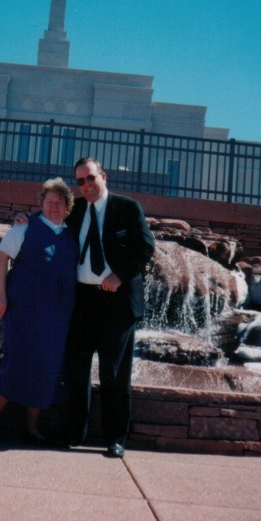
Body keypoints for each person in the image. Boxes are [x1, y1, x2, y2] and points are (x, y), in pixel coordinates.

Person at [0, 178, 78, 443]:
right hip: (23, 310)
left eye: (59, 203)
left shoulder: (71, 234)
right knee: (15, 361)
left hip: (57, 314)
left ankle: (31, 425)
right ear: (41, 204)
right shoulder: (24, 227)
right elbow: (1, 258)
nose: (54, 207)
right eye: (49, 202)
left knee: (47, 366)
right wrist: (0, 294)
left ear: (67, 206)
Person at [65, 157, 155, 458]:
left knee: (114, 375)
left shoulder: (127, 208)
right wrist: (23, 220)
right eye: (79, 181)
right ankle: (75, 432)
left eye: (90, 178)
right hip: (82, 302)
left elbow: (146, 248)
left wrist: (120, 275)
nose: (86, 186)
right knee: (76, 371)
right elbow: (48, 219)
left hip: (117, 304)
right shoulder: (75, 210)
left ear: (102, 176)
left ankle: (116, 439)